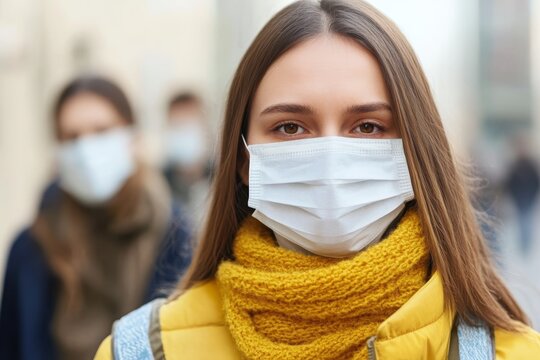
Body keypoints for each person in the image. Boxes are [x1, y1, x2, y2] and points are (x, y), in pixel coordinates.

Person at [96, 1, 540, 359]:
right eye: (290, 127)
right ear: (244, 160)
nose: (331, 159)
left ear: (414, 153)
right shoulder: (145, 350)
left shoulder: (511, 353)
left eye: (367, 127)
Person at [0, 76, 192, 360]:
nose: (86, 149)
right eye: (72, 137)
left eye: (102, 131)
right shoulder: (30, 247)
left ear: (133, 138)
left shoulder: (178, 238)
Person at [163, 91, 213, 228]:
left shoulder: (226, 182)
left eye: (189, 125)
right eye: (177, 126)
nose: (184, 134)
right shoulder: (158, 187)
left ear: (205, 129)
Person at [503, 137, 540, 256]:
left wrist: (533, 196)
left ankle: (526, 244)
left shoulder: (530, 164)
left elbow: (536, 182)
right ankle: (523, 244)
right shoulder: (515, 165)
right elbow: (509, 183)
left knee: (527, 221)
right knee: (521, 222)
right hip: (519, 200)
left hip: (528, 199)